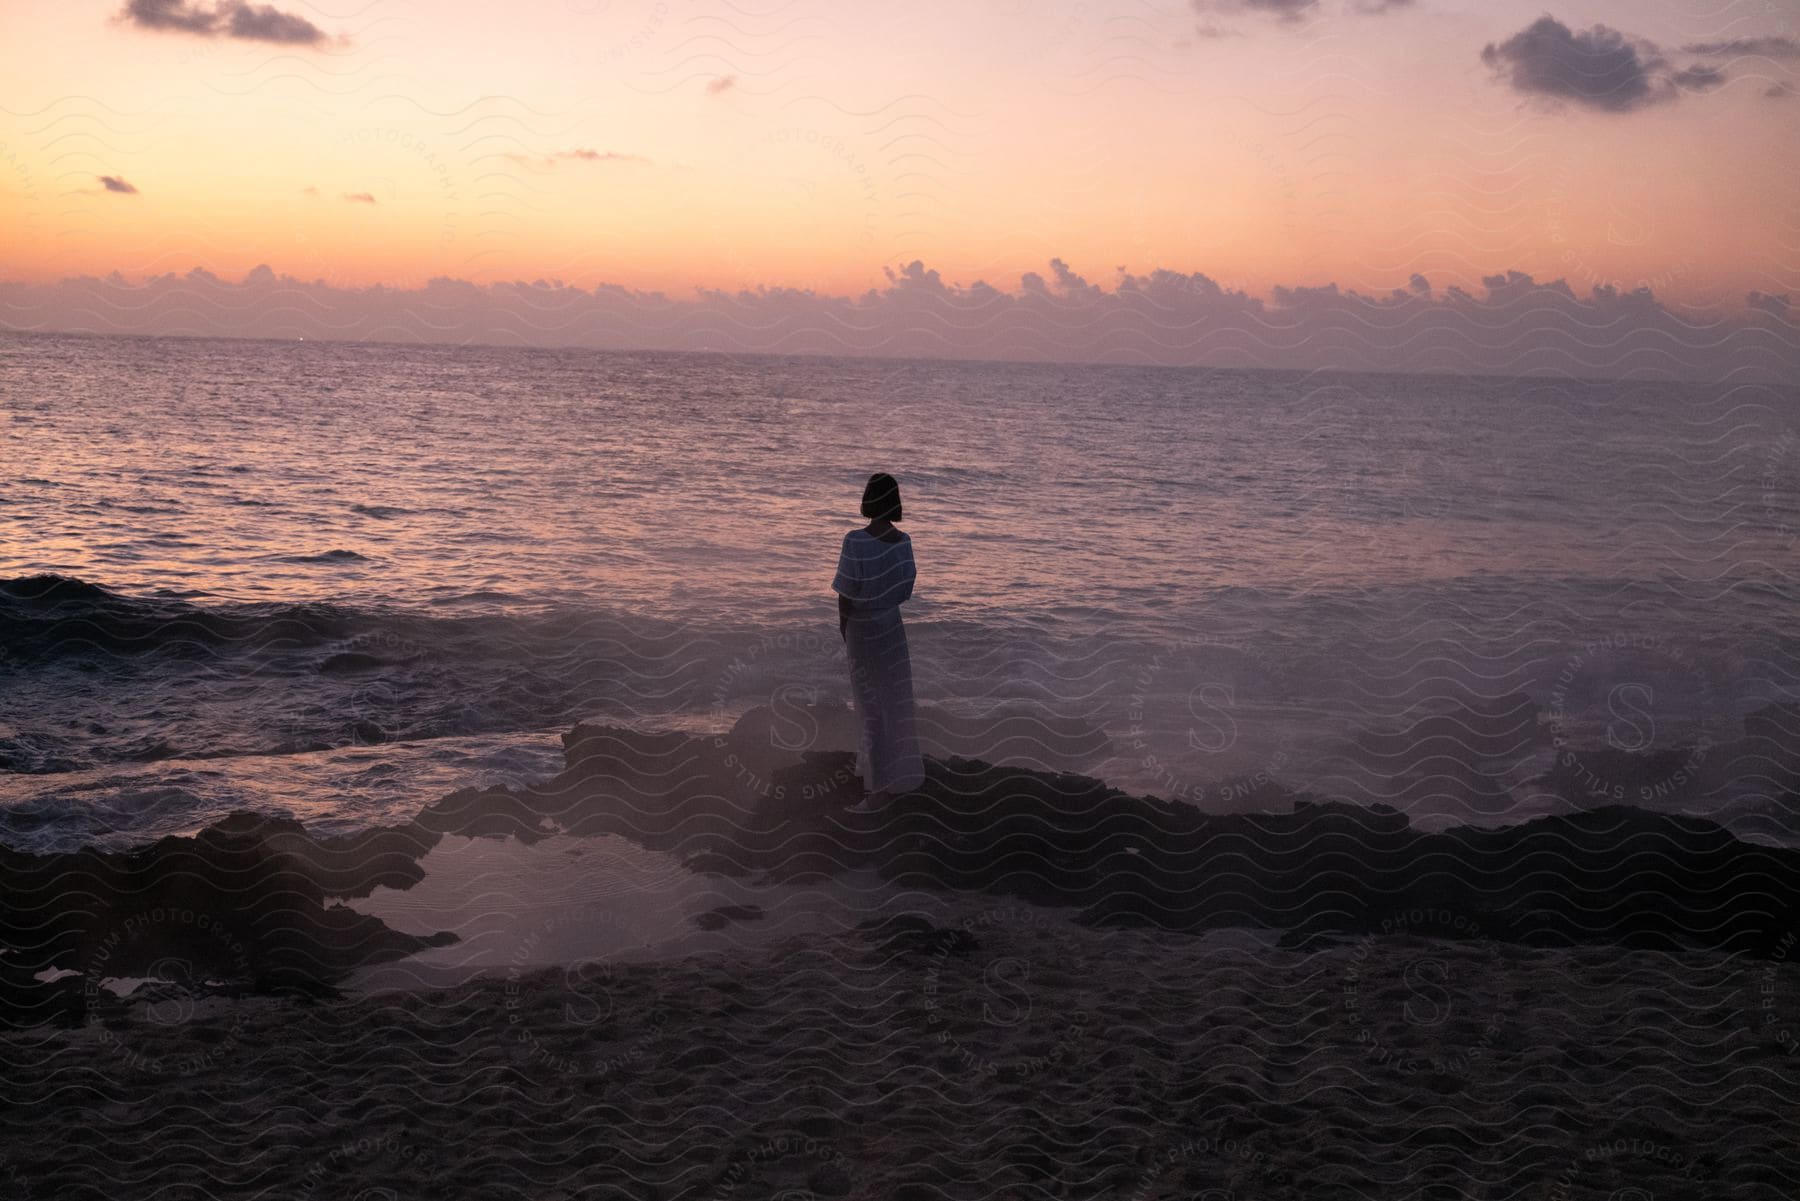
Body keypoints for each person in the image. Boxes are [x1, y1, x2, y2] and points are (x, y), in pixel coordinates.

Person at [832, 472, 925, 813]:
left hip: (862, 628)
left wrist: (845, 633)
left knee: (869, 708)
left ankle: (876, 793)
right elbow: (905, 592)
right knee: (895, 703)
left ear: (868, 500)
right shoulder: (904, 542)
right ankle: (896, 778)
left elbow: (846, 594)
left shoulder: (855, 540)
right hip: (892, 629)